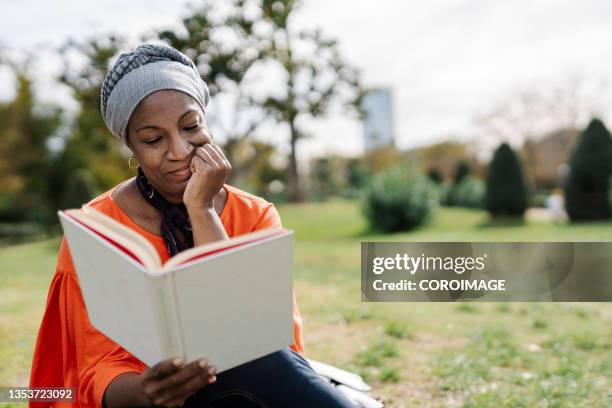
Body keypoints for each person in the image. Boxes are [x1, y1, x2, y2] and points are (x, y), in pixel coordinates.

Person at [29, 43, 354, 408]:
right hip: (143, 403)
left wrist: (201, 209)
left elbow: (268, 349)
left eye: (191, 126)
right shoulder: (95, 229)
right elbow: (95, 374)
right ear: (131, 148)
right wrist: (149, 391)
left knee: (252, 352)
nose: (180, 150)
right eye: (153, 139)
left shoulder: (256, 215)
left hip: (239, 393)